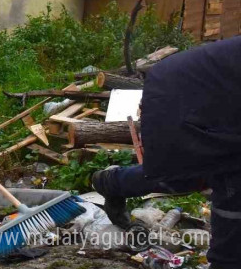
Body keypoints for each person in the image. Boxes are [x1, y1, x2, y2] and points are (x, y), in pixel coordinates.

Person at [91, 37, 240, 269]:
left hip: (208, 101)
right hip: (179, 97)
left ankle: (113, 181)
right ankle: (227, 261)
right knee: (223, 181)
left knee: (192, 175)